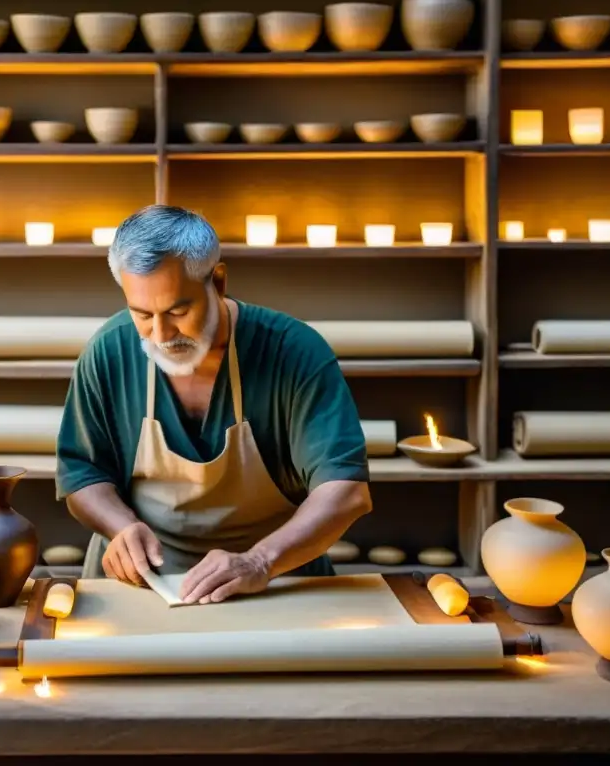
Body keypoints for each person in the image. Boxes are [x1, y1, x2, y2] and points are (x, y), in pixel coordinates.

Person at [55, 204, 372, 605]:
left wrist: (259, 561)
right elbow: (82, 472)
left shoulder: (293, 352)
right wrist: (121, 526)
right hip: (143, 589)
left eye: (178, 311)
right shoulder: (108, 350)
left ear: (218, 282)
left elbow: (345, 491)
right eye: (142, 314)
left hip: (277, 585)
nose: (161, 334)